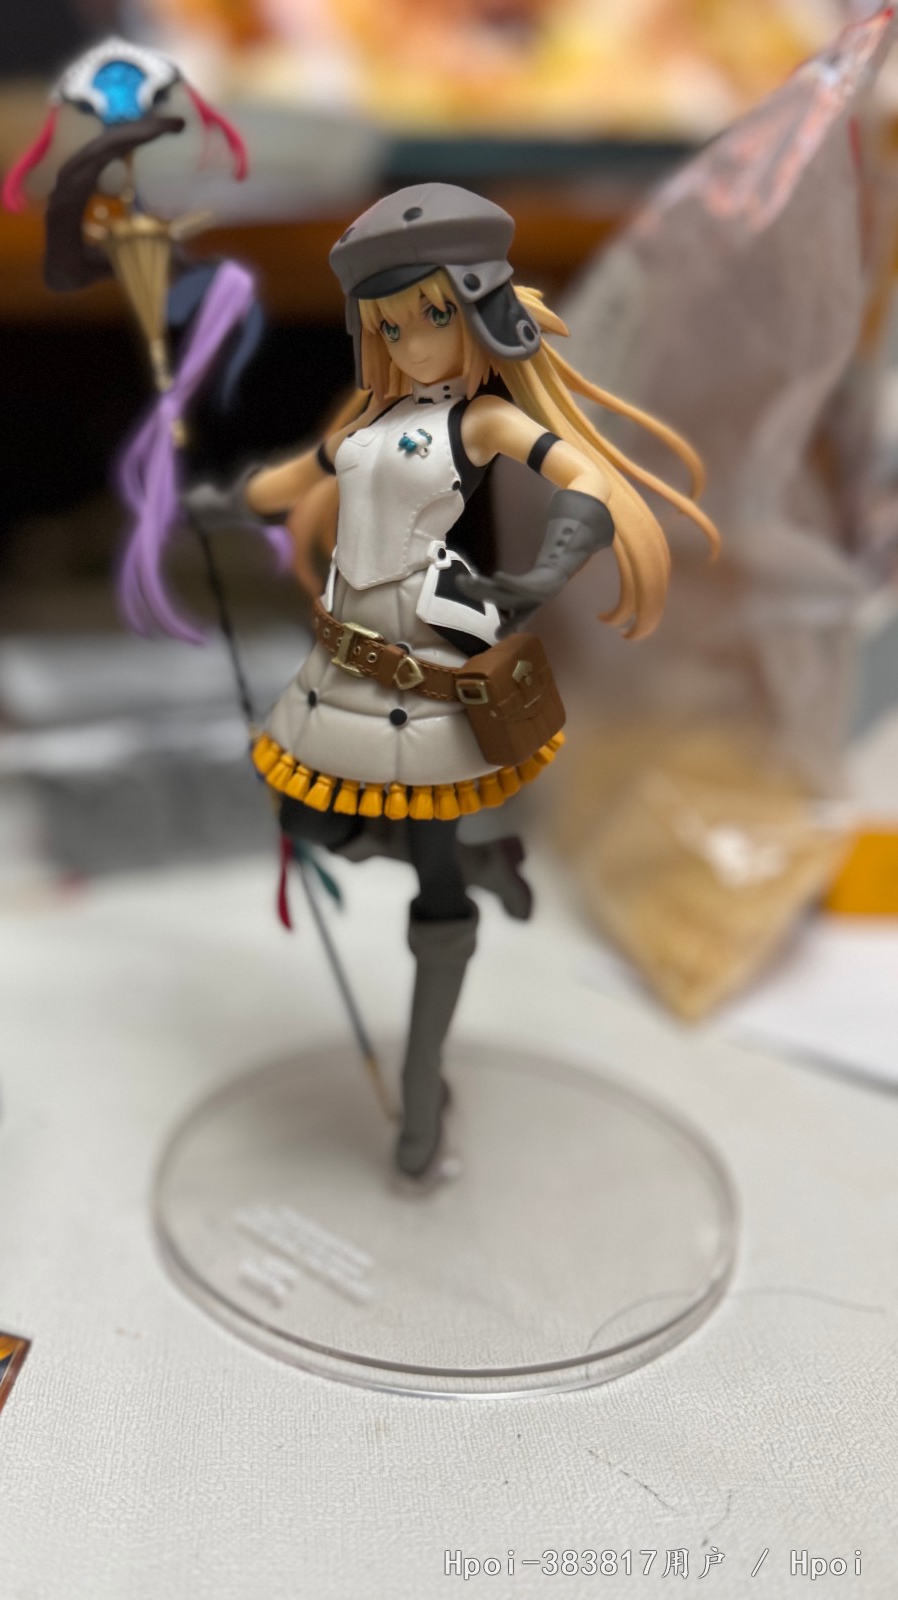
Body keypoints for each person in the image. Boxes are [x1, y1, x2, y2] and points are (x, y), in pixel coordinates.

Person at [189, 183, 718, 1182]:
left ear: (476, 311)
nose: (412, 339)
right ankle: (482, 864)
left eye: (431, 314)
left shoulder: (481, 424)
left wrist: (542, 575)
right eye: (391, 323)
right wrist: (215, 503)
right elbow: (287, 482)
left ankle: (423, 1088)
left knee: (430, 895)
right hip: (338, 669)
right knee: (301, 816)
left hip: (423, 677)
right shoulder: (362, 428)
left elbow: (585, 481)